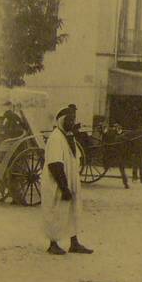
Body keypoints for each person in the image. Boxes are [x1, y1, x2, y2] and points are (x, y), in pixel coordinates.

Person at [42, 105, 93, 255]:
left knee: (73, 211)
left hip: (71, 180)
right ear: (61, 121)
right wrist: (64, 188)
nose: (72, 123)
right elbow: (55, 164)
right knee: (56, 211)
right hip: (57, 182)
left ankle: (74, 243)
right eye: (69, 120)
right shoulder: (56, 138)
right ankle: (53, 244)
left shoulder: (69, 137)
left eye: (73, 119)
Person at [102, 122, 130, 188]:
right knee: (121, 167)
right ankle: (125, 182)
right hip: (113, 151)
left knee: (122, 167)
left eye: (117, 127)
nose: (115, 128)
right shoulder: (111, 133)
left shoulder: (119, 134)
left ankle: (125, 182)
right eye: (115, 127)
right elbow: (106, 141)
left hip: (118, 151)